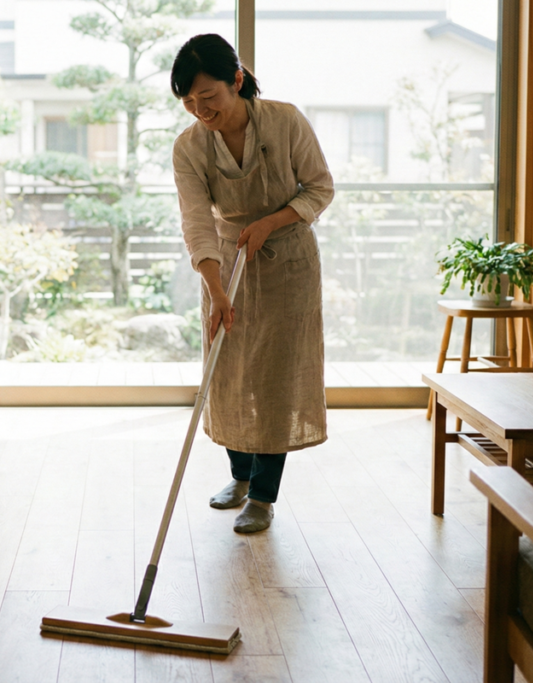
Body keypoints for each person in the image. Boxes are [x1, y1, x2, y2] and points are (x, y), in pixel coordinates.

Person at [170, 34, 333, 533]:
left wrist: (271, 222)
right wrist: (216, 289)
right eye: (190, 103)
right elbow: (197, 221)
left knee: (276, 377)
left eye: (210, 98)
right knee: (231, 372)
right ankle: (239, 476)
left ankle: (263, 495)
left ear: (237, 81)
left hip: (288, 264)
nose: (201, 111)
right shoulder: (189, 147)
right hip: (225, 265)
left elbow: (320, 187)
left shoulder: (284, 120)